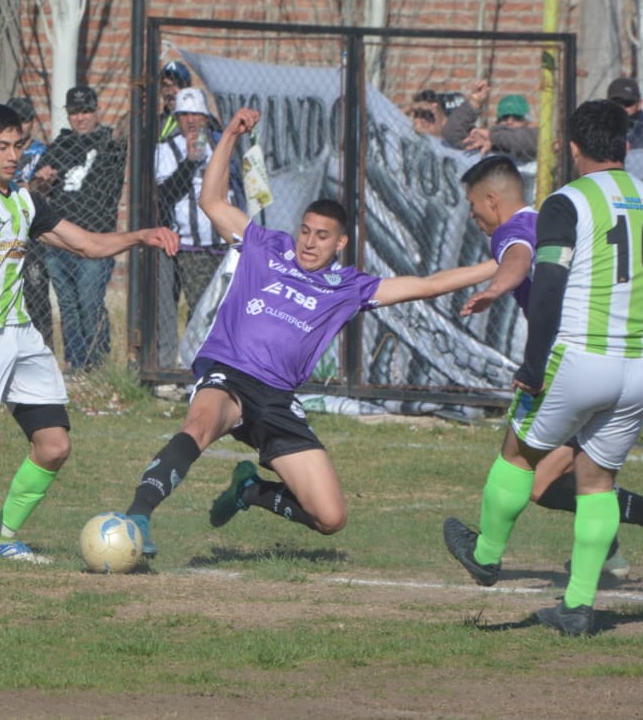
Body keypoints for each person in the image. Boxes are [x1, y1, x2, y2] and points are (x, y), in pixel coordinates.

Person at [121, 106, 496, 558]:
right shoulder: (266, 246)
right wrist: (230, 137)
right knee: (199, 425)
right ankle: (137, 516)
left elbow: (430, 284)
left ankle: (251, 492)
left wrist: (499, 265)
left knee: (330, 517)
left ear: (340, 243)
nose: (309, 241)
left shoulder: (349, 287)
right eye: (305, 230)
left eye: (322, 236)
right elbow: (213, 203)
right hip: (231, 373)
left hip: (277, 399)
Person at [443, 99, 643, 636]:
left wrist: (534, 364)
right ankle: (577, 608)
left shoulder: (566, 202)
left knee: (517, 451)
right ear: (625, 147)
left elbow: (549, 285)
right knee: (597, 481)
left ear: (573, 149)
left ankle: (486, 556)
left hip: (582, 356)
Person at [0, 104, 178, 562]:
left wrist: (140, 235)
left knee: (54, 445)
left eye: (18, 146)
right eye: (1, 146)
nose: (11, 155)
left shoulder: (25, 199)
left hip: (21, 336)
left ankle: (0, 539)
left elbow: (86, 244)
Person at [32, 85, 126, 372]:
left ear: (97, 110)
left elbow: (128, 128)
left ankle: (96, 363)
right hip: (60, 241)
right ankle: (75, 362)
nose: (81, 118)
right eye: (74, 113)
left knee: (89, 301)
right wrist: (43, 181)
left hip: (96, 238)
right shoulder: (61, 144)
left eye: (86, 111)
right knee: (68, 307)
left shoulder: (109, 141)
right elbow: (36, 186)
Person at [153, 87, 242, 369]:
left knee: (222, 309)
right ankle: (195, 366)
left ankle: (207, 364)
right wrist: (189, 163)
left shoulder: (221, 145)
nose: (191, 120)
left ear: (205, 116)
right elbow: (165, 193)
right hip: (192, 243)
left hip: (226, 243)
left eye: (196, 114)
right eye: (184, 115)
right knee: (202, 308)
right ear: (176, 117)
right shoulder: (165, 150)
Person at [6, 95, 54, 349]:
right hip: (5, 229)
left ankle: (44, 347)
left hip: (33, 230)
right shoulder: (2, 150)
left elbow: (43, 187)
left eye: (25, 120)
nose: (21, 125)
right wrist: (30, 184)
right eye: (16, 120)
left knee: (36, 291)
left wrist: (31, 185)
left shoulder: (42, 151)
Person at [158, 60, 192, 142]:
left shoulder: (193, 122)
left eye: (176, 84)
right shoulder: (157, 121)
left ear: (186, 88)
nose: (169, 91)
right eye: (165, 85)